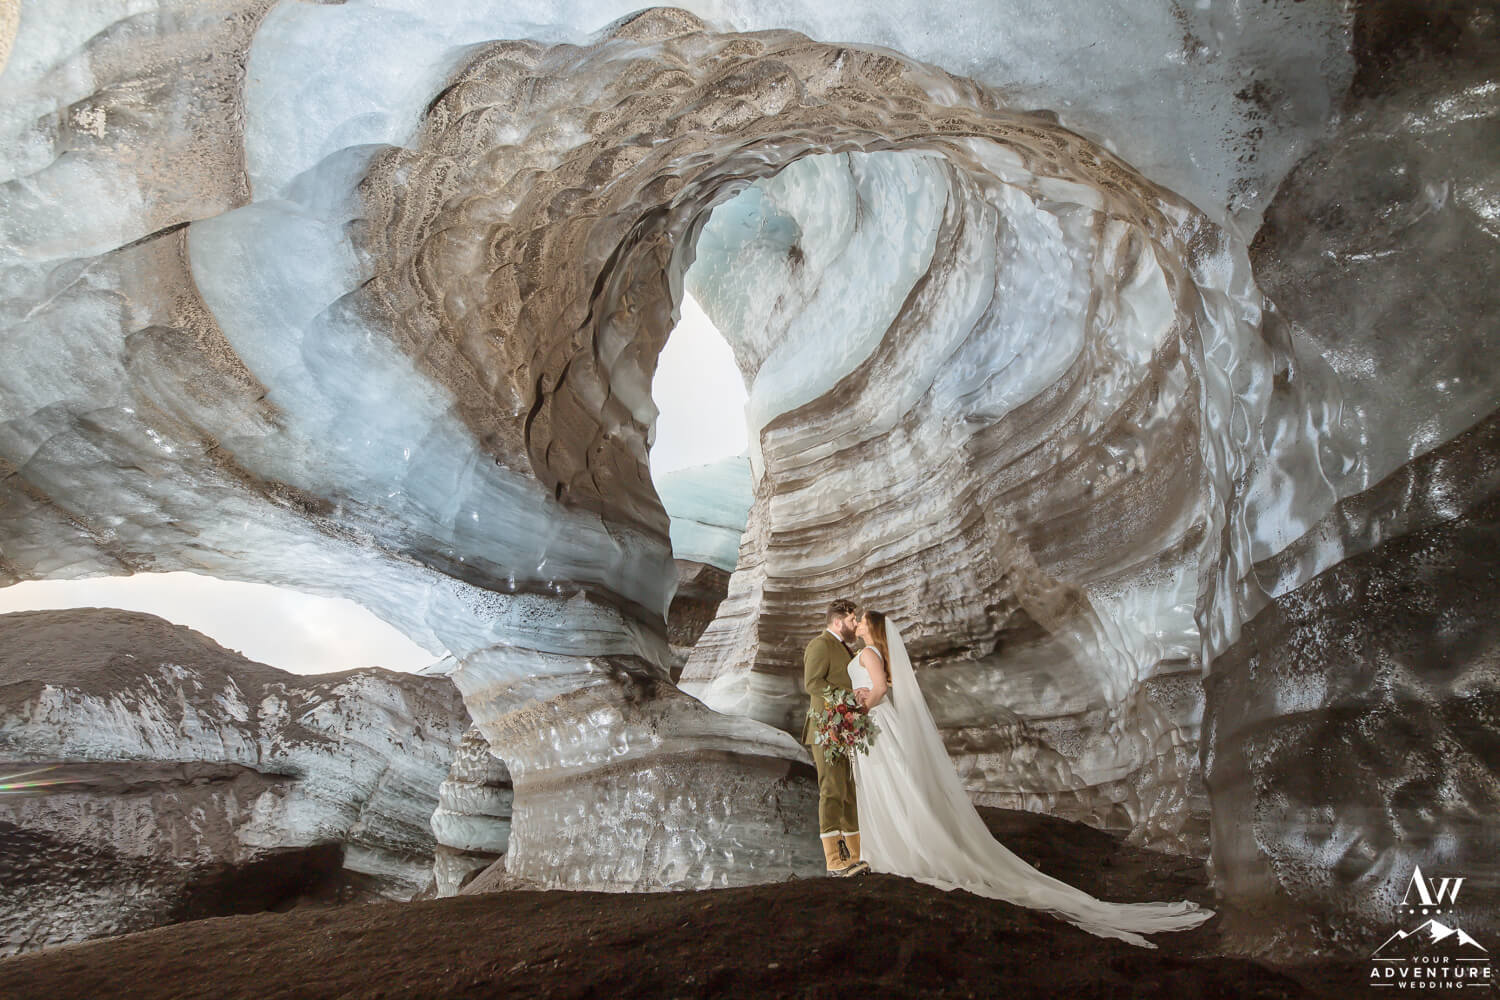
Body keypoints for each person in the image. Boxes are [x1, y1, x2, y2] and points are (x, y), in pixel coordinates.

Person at [846, 609, 1213, 948]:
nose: (858, 622)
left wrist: (856, 709)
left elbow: (877, 690)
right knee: (891, 784)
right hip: (874, 724)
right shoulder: (873, 654)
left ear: (873, 628)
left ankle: (899, 848)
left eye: (862, 619)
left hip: (874, 722)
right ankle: (896, 844)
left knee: (890, 784)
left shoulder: (869, 655)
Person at [802, 598, 869, 877]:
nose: (856, 625)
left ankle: (853, 855)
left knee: (848, 793)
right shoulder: (820, 645)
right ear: (838, 621)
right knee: (831, 791)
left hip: (842, 728)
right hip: (825, 728)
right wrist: (845, 700)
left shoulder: (843, 647)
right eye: (853, 620)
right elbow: (813, 683)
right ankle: (833, 861)